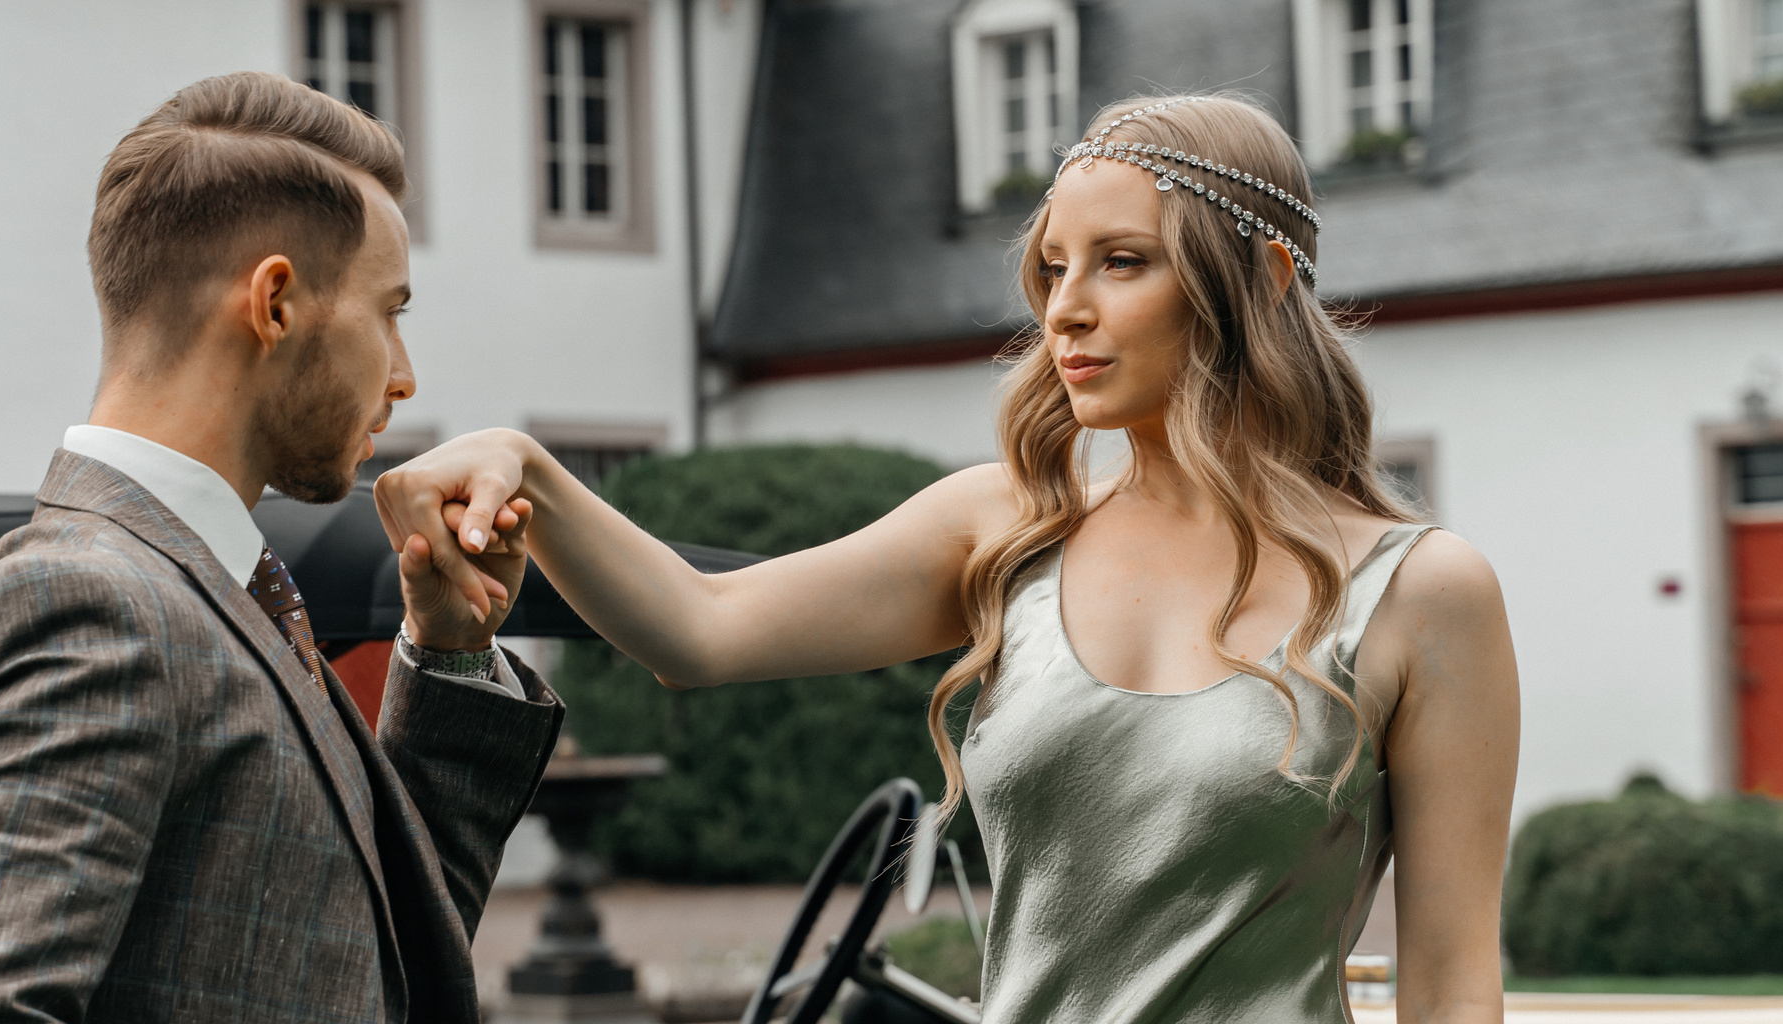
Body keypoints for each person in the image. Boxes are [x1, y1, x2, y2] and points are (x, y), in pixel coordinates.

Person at [378, 95, 1519, 1024]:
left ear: (1263, 281)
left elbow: (1454, 991)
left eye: (1121, 262)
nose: (1063, 311)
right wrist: (530, 468)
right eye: (1051, 267)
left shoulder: (1420, 594)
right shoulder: (1006, 527)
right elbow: (698, 629)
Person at [0, 73, 561, 1024]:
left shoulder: (205, 593)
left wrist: (450, 657)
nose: (405, 378)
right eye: (390, 311)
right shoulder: (86, 611)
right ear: (275, 302)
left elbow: (361, 955)